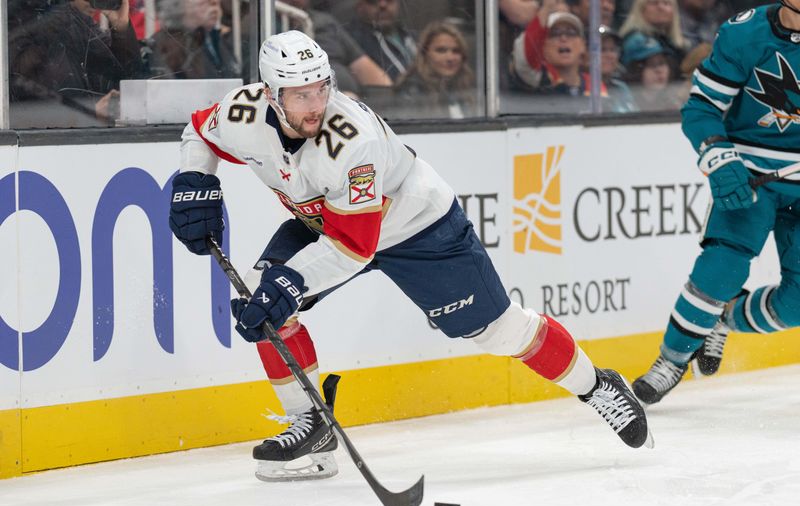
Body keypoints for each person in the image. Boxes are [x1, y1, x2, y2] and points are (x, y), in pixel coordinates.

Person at [169, 30, 652, 482]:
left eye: (322, 89)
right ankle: (311, 428)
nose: (316, 104)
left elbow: (354, 248)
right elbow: (200, 134)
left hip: (417, 227)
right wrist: (197, 181)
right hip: (327, 221)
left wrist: (291, 282)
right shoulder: (242, 112)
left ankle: (597, 386)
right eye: (301, 95)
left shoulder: (350, 139)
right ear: (271, 95)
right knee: (266, 305)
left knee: (499, 331)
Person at [633, 3, 800, 405]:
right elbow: (702, 108)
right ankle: (672, 359)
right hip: (751, 175)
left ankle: (723, 317)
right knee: (721, 267)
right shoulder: (745, 33)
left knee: (795, 306)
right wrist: (719, 157)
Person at [8, 0, 144, 124]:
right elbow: (20, 103)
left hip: (79, 139)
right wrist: (88, 114)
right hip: (45, 143)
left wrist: (121, 29)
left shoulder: (77, 23)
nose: (92, 3)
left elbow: (128, 80)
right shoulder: (17, 20)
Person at [280, 0, 392, 97]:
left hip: (355, 106)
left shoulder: (324, 22)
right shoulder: (267, 25)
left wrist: (388, 97)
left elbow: (370, 73)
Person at [394, 21, 478, 119]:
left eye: (456, 51)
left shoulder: (465, 88)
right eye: (441, 50)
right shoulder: (411, 91)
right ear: (425, 54)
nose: (450, 58)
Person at [148, 0, 241, 79]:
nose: (215, 9)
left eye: (216, 3)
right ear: (180, 7)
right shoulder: (164, 43)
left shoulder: (214, 38)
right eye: (205, 2)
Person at [344, 0, 417, 82]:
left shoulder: (413, 37)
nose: (383, 5)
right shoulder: (350, 41)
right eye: (373, 1)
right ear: (359, 5)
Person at [621, 32, 683, 111]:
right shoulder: (623, 102)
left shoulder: (674, 103)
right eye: (651, 65)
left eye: (662, 63)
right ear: (634, 70)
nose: (659, 70)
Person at [619, 0, 689, 67]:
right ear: (641, 9)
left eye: (666, 3)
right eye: (654, 3)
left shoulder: (673, 43)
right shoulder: (636, 40)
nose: (661, 7)